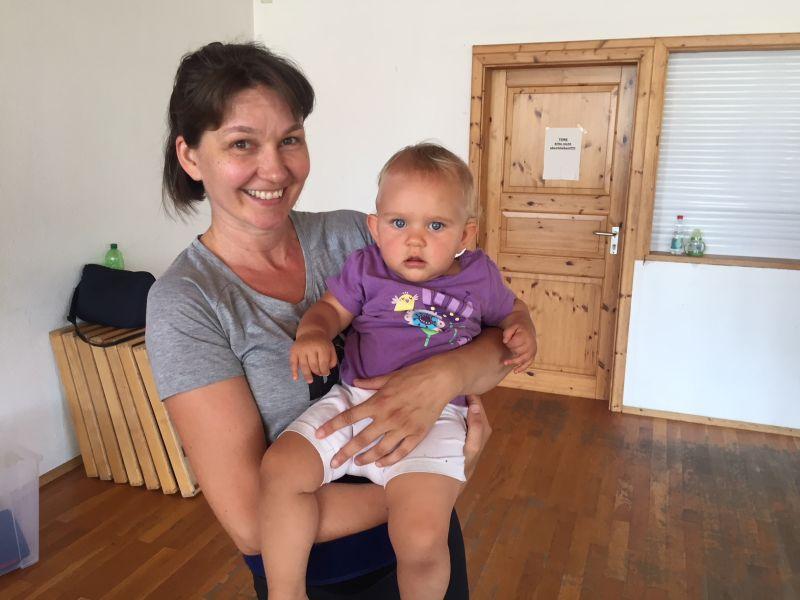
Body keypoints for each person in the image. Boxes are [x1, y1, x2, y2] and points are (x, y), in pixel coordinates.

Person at [146, 41, 535, 599]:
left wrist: (444, 379)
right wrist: (437, 480)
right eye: (241, 143)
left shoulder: (358, 236)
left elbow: (496, 340)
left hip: (425, 553)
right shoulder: (186, 302)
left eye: (290, 139)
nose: (274, 168)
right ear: (189, 157)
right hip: (325, 574)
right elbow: (252, 524)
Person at [260, 143, 537, 600]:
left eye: (436, 225)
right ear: (375, 227)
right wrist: (313, 334)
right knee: (281, 469)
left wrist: (523, 327)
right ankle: (285, 593)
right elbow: (329, 309)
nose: (415, 240)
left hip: (436, 416)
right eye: (399, 223)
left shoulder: (479, 276)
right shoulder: (365, 267)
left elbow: (511, 311)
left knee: (422, 537)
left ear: (466, 234)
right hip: (353, 400)